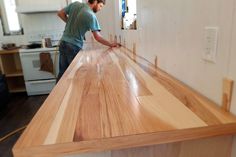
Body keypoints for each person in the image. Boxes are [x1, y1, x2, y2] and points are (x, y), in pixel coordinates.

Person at [57, 0, 119, 81]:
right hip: (73, 46)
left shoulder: (75, 4)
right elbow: (98, 37)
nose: (100, 9)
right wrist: (110, 44)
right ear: (95, 2)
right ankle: (74, 93)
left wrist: (70, 23)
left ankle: (59, 93)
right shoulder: (90, 15)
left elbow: (60, 13)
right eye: (100, 6)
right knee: (74, 76)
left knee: (62, 73)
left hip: (63, 42)